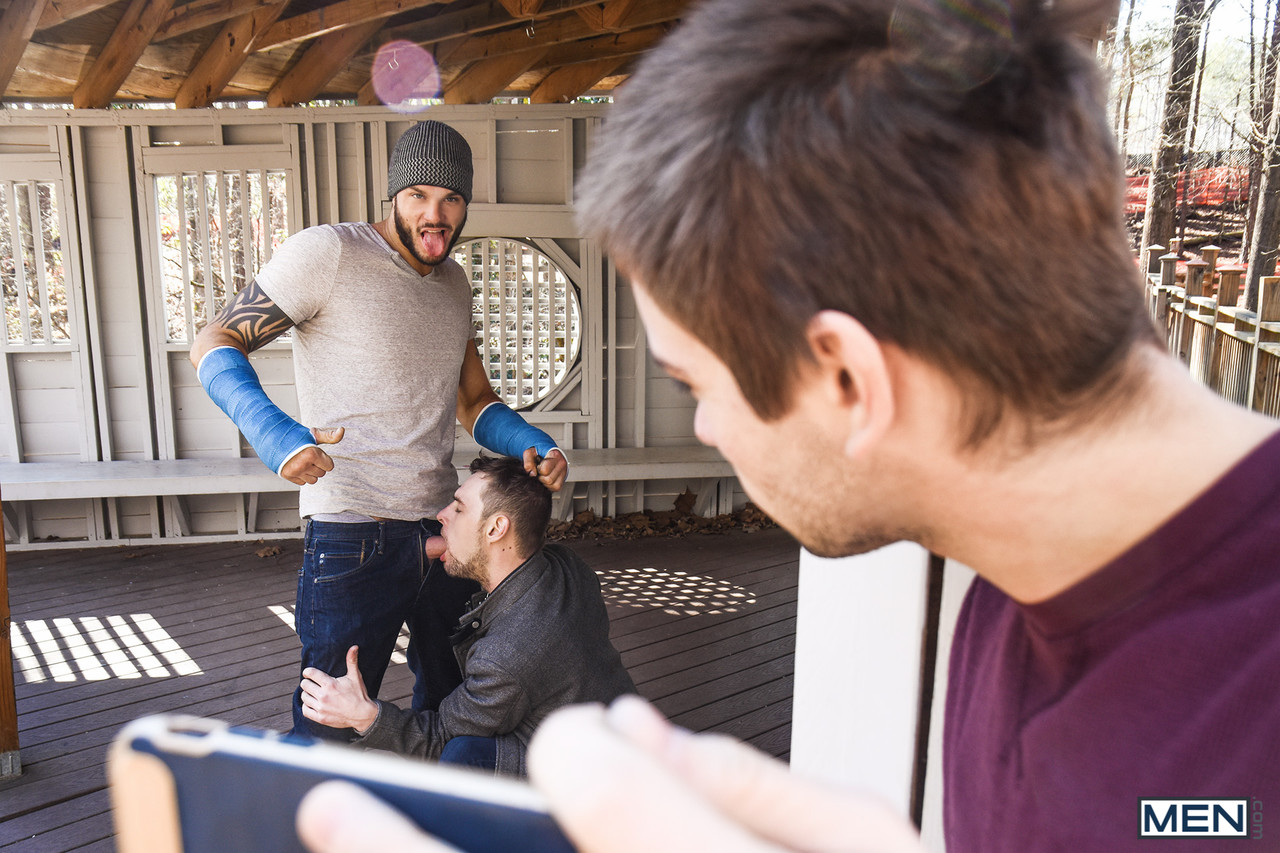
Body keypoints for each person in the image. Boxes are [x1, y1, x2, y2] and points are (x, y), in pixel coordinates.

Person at [297, 0, 1280, 851]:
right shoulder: (1025, 582)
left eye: (697, 383)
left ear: (848, 379)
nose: (707, 428)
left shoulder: (1231, 741)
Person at [189, 119, 568, 742]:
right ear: (393, 194)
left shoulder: (454, 284)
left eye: (450, 199)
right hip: (352, 531)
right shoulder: (330, 253)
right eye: (418, 195)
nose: (435, 215)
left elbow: (475, 402)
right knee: (329, 723)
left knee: (456, 708)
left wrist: (533, 443)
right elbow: (215, 339)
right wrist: (273, 432)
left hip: (445, 533)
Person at [296, 455, 636, 776]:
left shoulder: (506, 656)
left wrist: (364, 715)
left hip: (587, 774)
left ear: (496, 529)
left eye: (459, 508)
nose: (442, 515)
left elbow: (440, 739)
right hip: (623, 734)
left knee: (462, 754)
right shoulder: (566, 566)